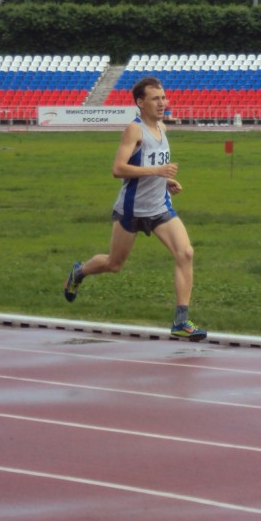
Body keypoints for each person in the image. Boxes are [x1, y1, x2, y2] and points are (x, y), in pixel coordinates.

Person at [63, 76, 206, 342]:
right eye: (155, 98)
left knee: (185, 252)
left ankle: (181, 321)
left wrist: (165, 180)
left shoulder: (163, 127)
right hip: (132, 209)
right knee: (113, 264)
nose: (162, 103)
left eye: (163, 97)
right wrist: (158, 171)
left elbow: (153, 165)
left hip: (160, 208)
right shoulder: (134, 130)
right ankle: (78, 272)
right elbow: (118, 169)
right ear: (141, 103)